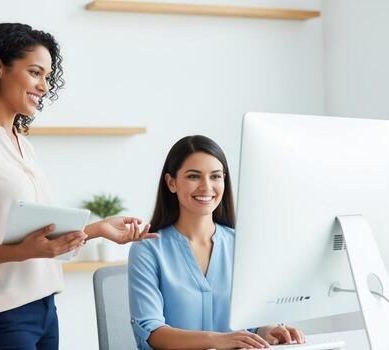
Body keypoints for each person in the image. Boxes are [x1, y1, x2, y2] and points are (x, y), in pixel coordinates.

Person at [0, 23, 157, 350]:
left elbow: (36, 237)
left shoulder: (21, 144)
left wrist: (99, 229)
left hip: (44, 309)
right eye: (35, 72)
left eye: (48, 76)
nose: (44, 86)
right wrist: (15, 254)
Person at [128, 135, 306, 349]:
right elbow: (152, 332)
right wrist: (217, 340)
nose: (206, 186)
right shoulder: (147, 249)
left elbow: (253, 318)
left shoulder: (242, 245)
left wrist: (267, 331)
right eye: (194, 176)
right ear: (171, 182)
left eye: (215, 176)